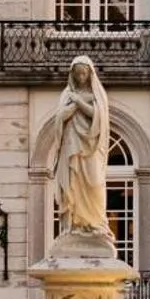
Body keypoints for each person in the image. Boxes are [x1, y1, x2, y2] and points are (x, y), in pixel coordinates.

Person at [52, 55, 111, 237]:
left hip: (91, 145)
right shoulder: (66, 94)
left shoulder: (97, 94)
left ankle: (96, 223)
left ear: (90, 74)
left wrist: (78, 102)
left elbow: (98, 117)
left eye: (84, 73)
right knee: (72, 184)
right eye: (77, 74)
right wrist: (70, 107)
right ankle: (73, 225)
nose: (81, 77)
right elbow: (59, 118)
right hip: (71, 143)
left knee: (95, 182)